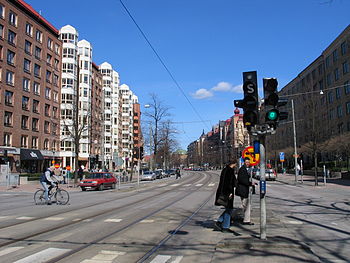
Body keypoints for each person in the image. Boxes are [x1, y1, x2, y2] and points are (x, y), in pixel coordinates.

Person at [213, 160, 237, 233]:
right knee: (229, 209)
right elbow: (228, 183)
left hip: (223, 191)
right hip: (227, 192)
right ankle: (225, 227)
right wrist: (230, 192)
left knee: (228, 209)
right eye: (236, 164)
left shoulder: (225, 170)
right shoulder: (230, 171)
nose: (236, 165)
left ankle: (220, 222)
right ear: (233, 164)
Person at [235, 157, 255, 225]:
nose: (247, 163)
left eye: (248, 162)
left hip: (244, 190)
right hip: (242, 190)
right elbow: (242, 180)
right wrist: (250, 183)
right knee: (246, 205)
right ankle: (246, 220)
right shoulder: (242, 170)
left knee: (246, 205)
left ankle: (246, 220)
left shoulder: (245, 169)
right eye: (246, 162)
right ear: (244, 162)